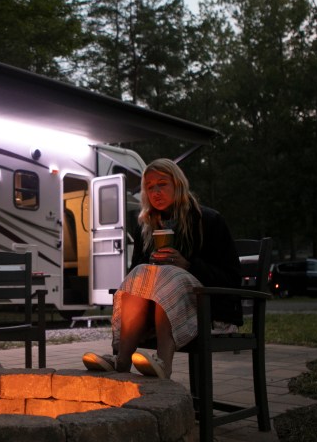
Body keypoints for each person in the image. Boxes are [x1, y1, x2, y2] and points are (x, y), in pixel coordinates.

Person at [82, 158, 241, 379]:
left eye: (162, 184)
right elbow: (136, 276)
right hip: (152, 314)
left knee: (170, 277)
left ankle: (163, 364)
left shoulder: (209, 221)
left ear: (178, 184)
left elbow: (232, 279)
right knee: (140, 274)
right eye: (149, 187)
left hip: (206, 310)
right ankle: (122, 361)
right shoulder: (146, 226)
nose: (155, 191)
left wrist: (188, 265)